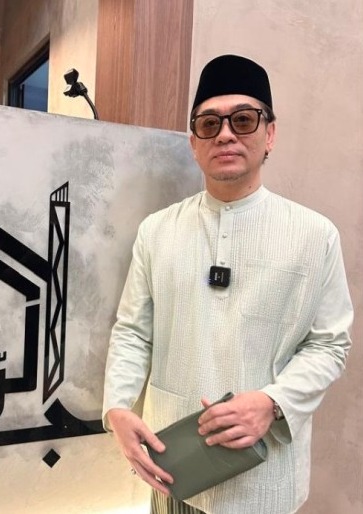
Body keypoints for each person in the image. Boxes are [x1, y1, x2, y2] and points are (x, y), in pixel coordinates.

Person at [102, 54, 353, 514]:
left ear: (269, 134)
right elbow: (134, 331)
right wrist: (117, 407)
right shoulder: (157, 231)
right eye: (209, 123)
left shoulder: (314, 235)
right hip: (173, 470)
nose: (225, 134)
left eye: (243, 119)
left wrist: (273, 402)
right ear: (194, 143)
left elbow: (330, 344)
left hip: (265, 481)